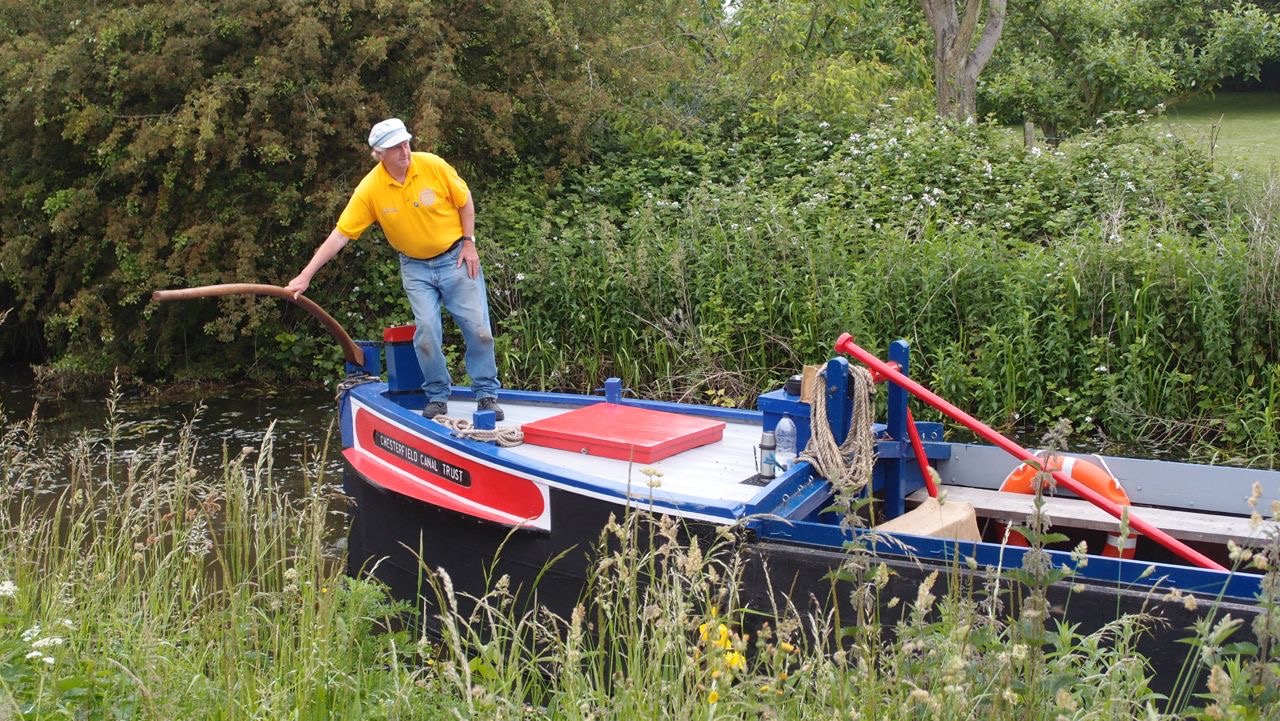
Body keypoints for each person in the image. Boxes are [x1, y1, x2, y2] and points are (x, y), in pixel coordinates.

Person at [286, 118, 503, 421]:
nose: (405, 151)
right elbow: (341, 235)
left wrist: (469, 242)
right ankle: (437, 395)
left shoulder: (433, 165)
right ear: (378, 154)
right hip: (415, 267)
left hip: (456, 256)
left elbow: (465, 202)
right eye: (396, 147)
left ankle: (486, 394)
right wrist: (305, 275)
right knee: (426, 331)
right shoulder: (370, 189)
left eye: (406, 143)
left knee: (478, 328)